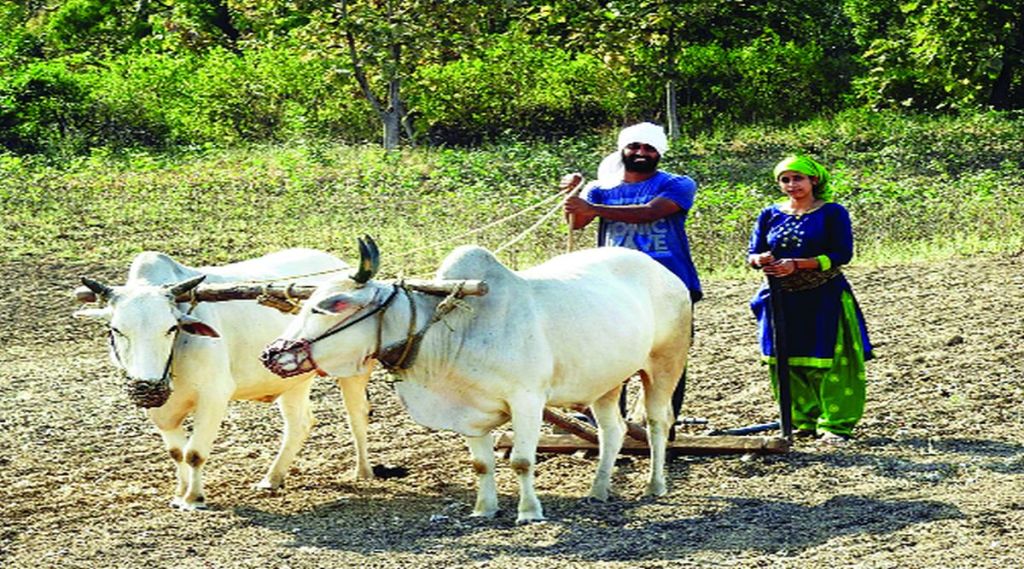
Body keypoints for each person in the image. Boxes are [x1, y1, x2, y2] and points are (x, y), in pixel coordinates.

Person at [560, 122, 702, 424]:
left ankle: (663, 422)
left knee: (667, 358)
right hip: (614, 287)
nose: (640, 152)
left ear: (658, 153)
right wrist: (573, 199)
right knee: (610, 355)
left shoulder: (677, 184)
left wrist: (593, 207)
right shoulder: (600, 188)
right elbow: (576, 224)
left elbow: (651, 212)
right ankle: (610, 424)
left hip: (668, 286)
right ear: (623, 150)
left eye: (648, 148)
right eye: (634, 146)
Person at [747, 155, 873, 444]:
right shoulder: (770, 214)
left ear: (813, 180)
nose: (792, 185)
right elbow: (753, 252)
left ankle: (835, 424)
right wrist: (760, 259)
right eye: (785, 180)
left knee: (830, 359)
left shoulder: (831, 213)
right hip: (780, 297)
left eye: (798, 178)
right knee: (784, 359)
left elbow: (842, 254)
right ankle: (802, 420)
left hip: (824, 294)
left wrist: (798, 264)